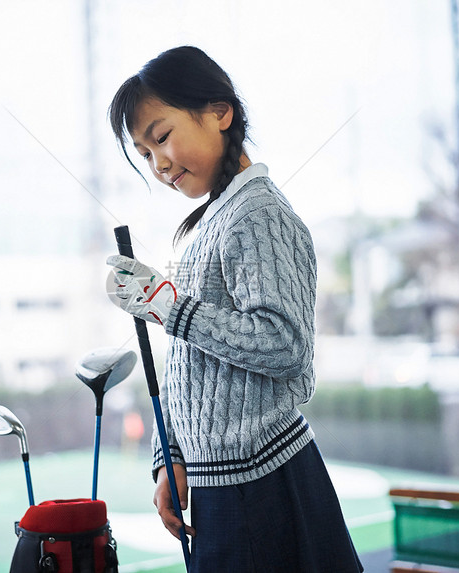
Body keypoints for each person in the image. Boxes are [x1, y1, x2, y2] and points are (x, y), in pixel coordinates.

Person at [105, 46, 363, 572]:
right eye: (145, 153)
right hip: (221, 483)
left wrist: (168, 307)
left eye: (162, 137)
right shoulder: (210, 223)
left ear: (220, 112)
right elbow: (189, 368)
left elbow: (285, 346)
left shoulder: (258, 213)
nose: (158, 164)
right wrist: (169, 457)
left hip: (265, 483)